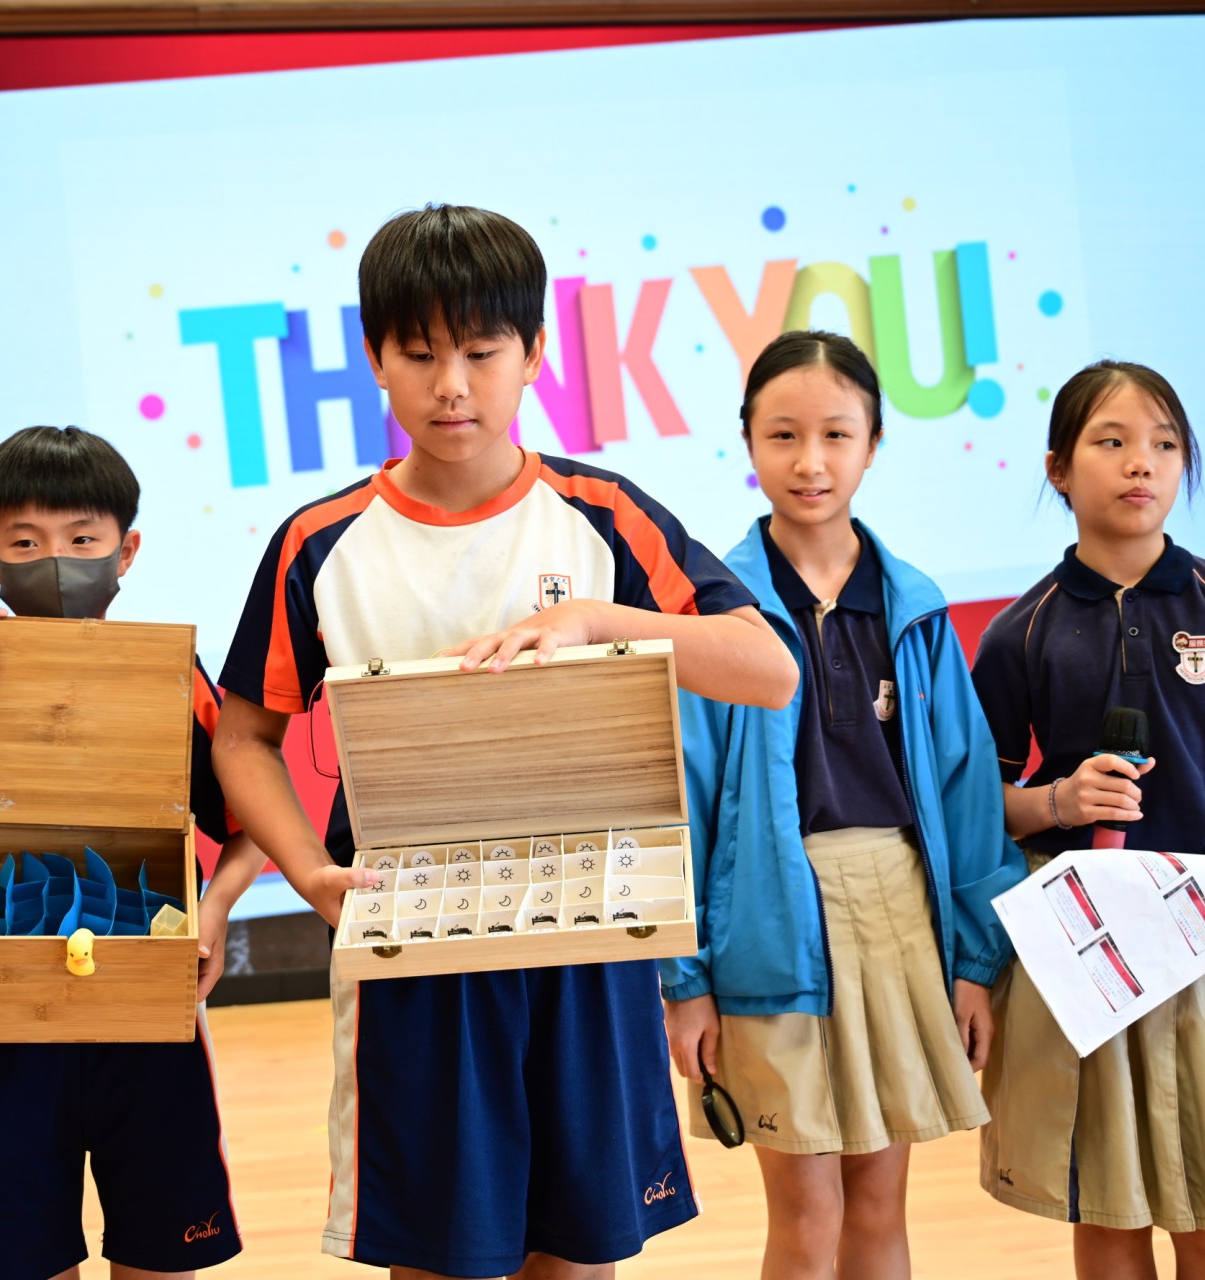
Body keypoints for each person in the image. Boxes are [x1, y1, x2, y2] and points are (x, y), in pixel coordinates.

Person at [211, 203, 798, 1280]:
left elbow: (769, 668)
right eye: (419, 354)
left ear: (532, 354)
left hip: (589, 942)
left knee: (579, 1254)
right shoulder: (320, 543)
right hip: (416, 952)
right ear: (374, 359)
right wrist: (307, 870)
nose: (452, 386)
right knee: (437, 1256)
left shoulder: (601, 512)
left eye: (481, 353)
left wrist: (597, 622)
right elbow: (243, 736)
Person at [0, 425, 284, 1280]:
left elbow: (252, 825)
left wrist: (216, 906)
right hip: (4, 1016)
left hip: (153, 1006)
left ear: (127, 550)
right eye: (26, 543)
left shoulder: (175, 676)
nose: (56, 562)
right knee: (16, 1255)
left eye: (83, 540)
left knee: (163, 1252)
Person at [660, 331, 1026, 1279]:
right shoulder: (714, 617)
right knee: (806, 1213)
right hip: (764, 928)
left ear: (874, 444)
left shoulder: (916, 609)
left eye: (836, 434)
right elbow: (681, 804)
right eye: (783, 435)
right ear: (747, 441)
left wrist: (975, 963)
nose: (810, 461)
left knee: (876, 1207)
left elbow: (966, 795)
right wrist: (684, 980)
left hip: (898, 916)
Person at [972, 361, 1205, 1280]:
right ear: (1059, 468)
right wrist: (1058, 801)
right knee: (1108, 1211)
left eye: (1165, 445)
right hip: (1081, 944)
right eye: (1113, 441)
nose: (1143, 463)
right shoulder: (1020, 632)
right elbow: (983, 805)